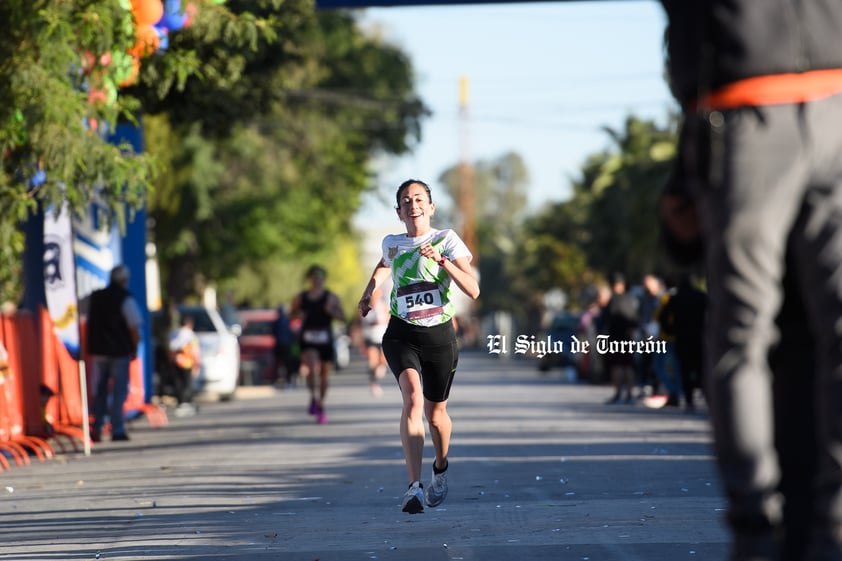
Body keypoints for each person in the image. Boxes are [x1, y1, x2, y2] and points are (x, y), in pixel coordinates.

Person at [660, 2, 842, 559]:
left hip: (776, 98)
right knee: (750, 329)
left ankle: (773, 527)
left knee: (743, 332)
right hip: (751, 97)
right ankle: (777, 527)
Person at [357, 179, 480, 515]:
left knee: (435, 415)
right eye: (406, 201)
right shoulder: (393, 243)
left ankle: (440, 466)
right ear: (399, 211)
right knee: (411, 397)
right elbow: (384, 265)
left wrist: (443, 261)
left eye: (419, 199)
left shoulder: (447, 240)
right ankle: (413, 487)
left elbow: (473, 289)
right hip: (401, 333)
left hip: (439, 335)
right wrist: (369, 292)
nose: (413, 205)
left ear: (431, 206)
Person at [86, 264, 142, 442]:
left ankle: (97, 427)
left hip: (99, 351)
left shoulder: (95, 297)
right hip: (119, 352)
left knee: (100, 391)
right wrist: (134, 348)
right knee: (119, 391)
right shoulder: (126, 299)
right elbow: (134, 328)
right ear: (124, 280)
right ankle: (117, 429)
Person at [290, 265, 346, 424]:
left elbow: (343, 317)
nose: (317, 278)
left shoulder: (331, 297)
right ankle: (313, 397)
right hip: (308, 338)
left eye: (321, 275)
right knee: (312, 367)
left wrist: (331, 312)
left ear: (324, 278)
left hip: (325, 338)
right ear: (309, 278)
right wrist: (297, 314)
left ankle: (320, 404)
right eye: (314, 275)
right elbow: (291, 315)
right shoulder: (301, 297)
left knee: (324, 374)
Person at [603, 272, 640, 404]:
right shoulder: (631, 299)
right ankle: (629, 394)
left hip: (616, 337)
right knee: (627, 366)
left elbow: (608, 318)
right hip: (628, 337)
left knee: (618, 367)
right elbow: (635, 319)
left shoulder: (614, 300)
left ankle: (619, 393)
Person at [167, 314, 201, 417]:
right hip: (187, 362)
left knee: (178, 383)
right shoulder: (191, 335)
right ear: (190, 324)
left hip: (175, 361)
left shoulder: (174, 334)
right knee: (187, 383)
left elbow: (169, 348)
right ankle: (186, 402)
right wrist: (197, 364)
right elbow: (195, 351)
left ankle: (180, 402)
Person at [360, 286, 389, 396]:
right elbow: (360, 323)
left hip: (383, 337)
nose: (376, 296)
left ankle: (377, 373)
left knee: (383, 361)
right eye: (374, 294)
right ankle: (374, 383)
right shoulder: (366, 307)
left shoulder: (384, 307)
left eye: (378, 294)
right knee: (372, 360)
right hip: (370, 337)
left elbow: (389, 318)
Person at [272, 304, 297, 387]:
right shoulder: (287, 321)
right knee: (287, 364)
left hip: (280, 345)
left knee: (278, 364)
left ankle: (277, 380)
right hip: (286, 345)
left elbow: (273, 333)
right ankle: (288, 381)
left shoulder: (277, 321)